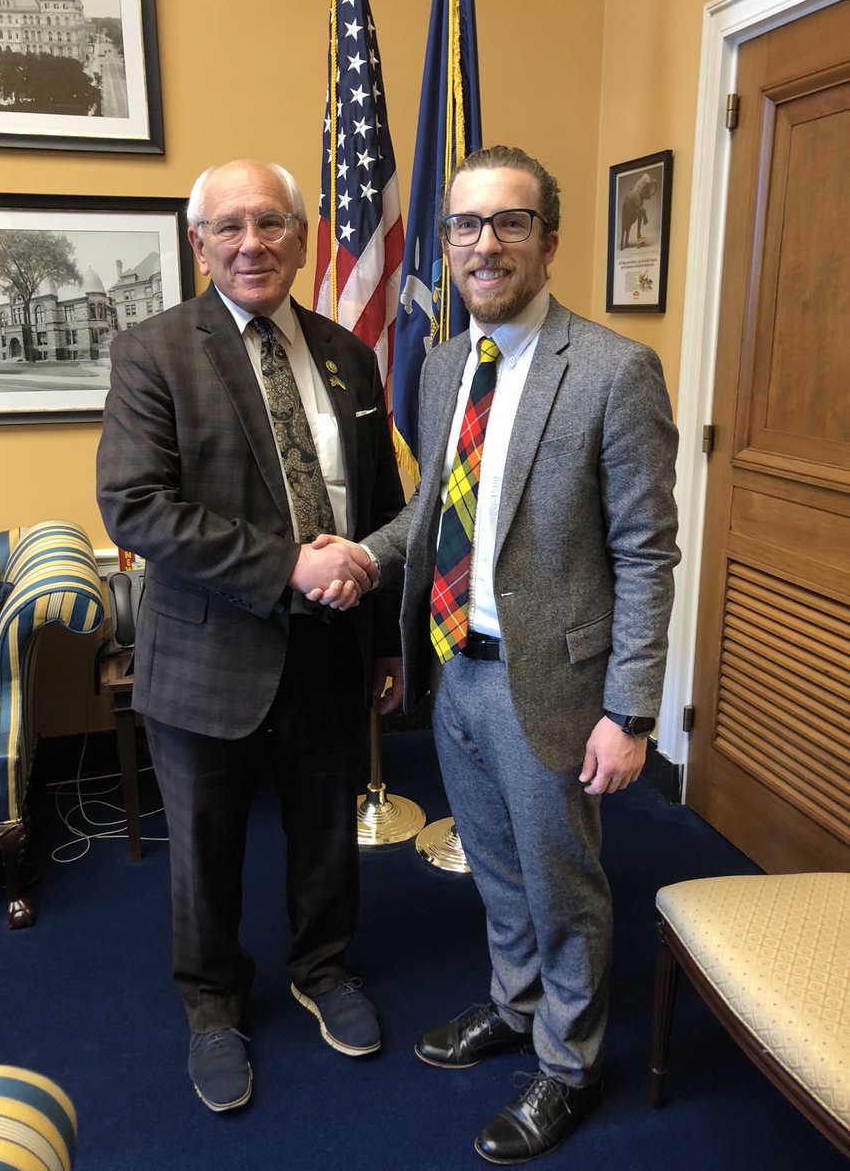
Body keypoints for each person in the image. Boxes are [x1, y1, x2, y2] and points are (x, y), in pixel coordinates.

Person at [320, 145, 680, 1162]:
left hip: (558, 688)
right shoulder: (443, 367)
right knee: (495, 872)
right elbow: (437, 515)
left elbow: (648, 553)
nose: (485, 244)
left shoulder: (614, 371)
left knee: (565, 884)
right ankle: (514, 1007)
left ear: (548, 240)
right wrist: (361, 555)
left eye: (509, 222)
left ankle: (569, 1065)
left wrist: (632, 711)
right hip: (455, 673)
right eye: (467, 226)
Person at [96, 159, 405, 1113]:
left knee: (325, 831)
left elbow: (383, 501)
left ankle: (322, 965)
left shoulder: (349, 352)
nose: (251, 243)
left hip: (333, 645)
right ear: (199, 244)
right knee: (206, 845)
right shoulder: (153, 350)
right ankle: (215, 1003)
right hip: (208, 650)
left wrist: (387, 641)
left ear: (303, 237)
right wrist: (287, 565)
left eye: (271, 223)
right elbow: (136, 509)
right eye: (228, 227)